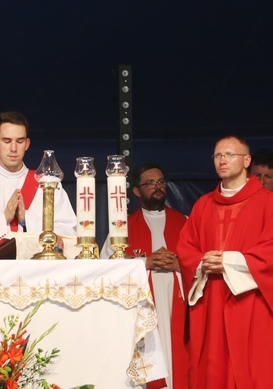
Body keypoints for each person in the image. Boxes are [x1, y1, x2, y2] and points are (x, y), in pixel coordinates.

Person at [177, 135, 273, 388]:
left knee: (250, 368)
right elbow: (186, 248)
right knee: (211, 368)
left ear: (247, 160)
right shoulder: (203, 205)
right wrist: (202, 262)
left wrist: (229, 262)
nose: (223, 160)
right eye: (218, 155)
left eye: (230, 155)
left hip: (250, 302)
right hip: (210, 300)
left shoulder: (267, 203)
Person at [102, 163, 188, 389]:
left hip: (177, 306)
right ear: (137, 191)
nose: (157, 187)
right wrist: (145, 262)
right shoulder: (122, 230)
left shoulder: (186, 223)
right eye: (150, 183)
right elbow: (107, 271)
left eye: (160, 182)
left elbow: (201, 264)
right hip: (142, 311)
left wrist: (180, 265)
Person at [0, 111, 77, 248]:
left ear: (27, 144)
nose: (13, 148)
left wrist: (26, 219)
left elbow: (69, 234)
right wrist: (4, 219)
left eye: (19, 141)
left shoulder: (49, 184)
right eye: (7, 141)